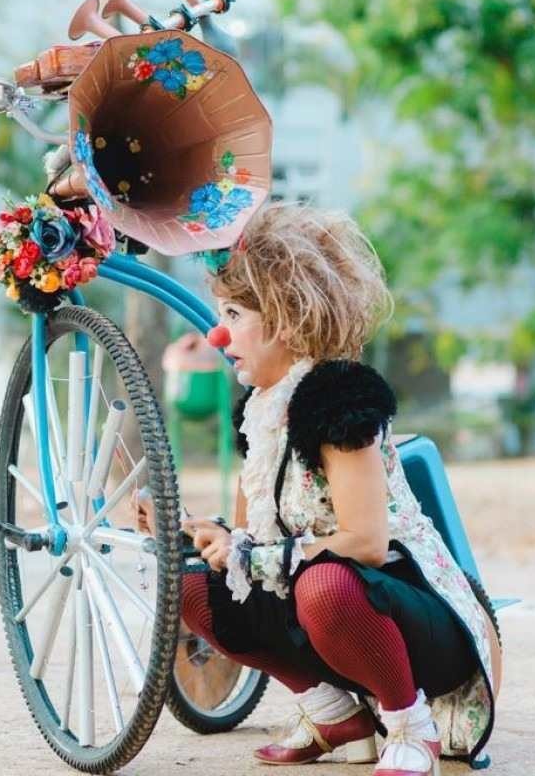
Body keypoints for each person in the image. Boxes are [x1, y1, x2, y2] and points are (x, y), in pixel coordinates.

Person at [177, 205, 501, 776]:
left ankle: (410, 726)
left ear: (286, 320)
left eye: (233, 313)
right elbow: (248, 541)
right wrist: (209, 535)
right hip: (329, 611)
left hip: (413, 619)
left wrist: (257, 554)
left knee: (324, 586)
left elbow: (367, 544)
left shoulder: (339, 402)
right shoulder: (256, 412)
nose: (217, 333)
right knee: (194, 587)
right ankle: (333, 716)